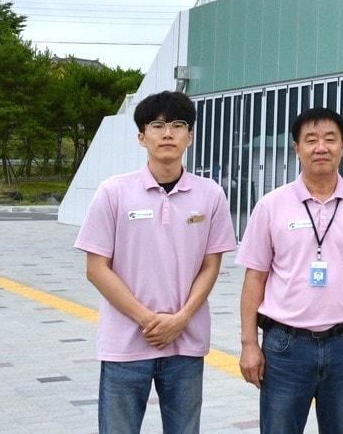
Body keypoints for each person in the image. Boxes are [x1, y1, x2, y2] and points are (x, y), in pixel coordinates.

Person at [75, 90, 235, 434]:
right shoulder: (113, 192)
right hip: (125, 344)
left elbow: (211, 265)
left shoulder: (210, 194)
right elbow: (96, 269)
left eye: (178, 125)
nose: (167, 133)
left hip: (186, 343)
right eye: (157, 125)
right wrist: (149, 320)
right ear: (141, 136)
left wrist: (181, 319)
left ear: (190, 136)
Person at [236, 107, 343, 434]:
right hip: (285, 345)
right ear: (297, 148)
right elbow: (255, 278)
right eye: (311, 140)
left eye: (330, 139)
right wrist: (249, 343)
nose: (322, 147)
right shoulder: (271, 205)